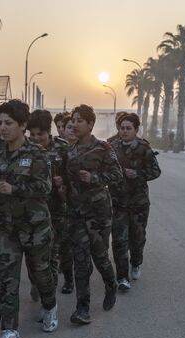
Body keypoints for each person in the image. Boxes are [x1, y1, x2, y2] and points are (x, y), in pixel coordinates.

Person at [0, 99, 58, 338]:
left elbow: (45, 188)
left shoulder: (37, 154)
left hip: (34, 227)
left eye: (8, 123)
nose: (2, 128)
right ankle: (10, 331)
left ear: (22, 125)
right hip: (5, 228)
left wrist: (15, 188)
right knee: (8, 280)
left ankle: (50, 305)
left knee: (41, 274)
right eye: (0, 123)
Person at [65, 104, 122, 325]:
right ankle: (82, 309)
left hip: (98, 213)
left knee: (99, 257)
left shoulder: (103, 148)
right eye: (74, 120)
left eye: (80, 120)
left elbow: (116, 175)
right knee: (80, 260)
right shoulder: (69, 150)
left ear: (90, 124)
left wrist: (95, 178)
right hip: (76, 213)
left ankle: (111, 284)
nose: (75, 124)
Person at [110, 113, 161, 290]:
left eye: (128, 128)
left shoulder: (143, 148)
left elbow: (156, 171)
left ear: (136, 130)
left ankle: (136, 262)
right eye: (122, 128)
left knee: (137, 238)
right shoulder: (112, 146)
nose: (124, 131)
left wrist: (138, 174)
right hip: (118, 202)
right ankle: (122, 277)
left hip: (138, 203)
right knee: (119, 240)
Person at [27, 110, 73, 295]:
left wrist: (65, 184)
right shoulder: (25, 149)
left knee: (53, 254)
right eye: (33, 135)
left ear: (49, 132)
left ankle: (50, 298)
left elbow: (73, 176)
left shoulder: (63, 148)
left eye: (41, 134)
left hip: (57, 211)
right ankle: (35, 282)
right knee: (32, 256)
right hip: (31, 212)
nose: (37, 139)